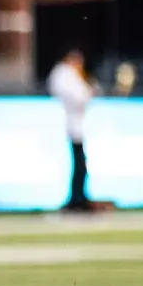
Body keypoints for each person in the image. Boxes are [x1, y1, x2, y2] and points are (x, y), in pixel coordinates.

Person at [47, 48, 92, 212]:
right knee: (78, 165)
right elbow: (81, 97)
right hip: (70, 127)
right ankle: (76, 200)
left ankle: (79, 197)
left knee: (81, 165)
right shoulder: (64, 74)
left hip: (76, 127)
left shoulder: (69, 75)